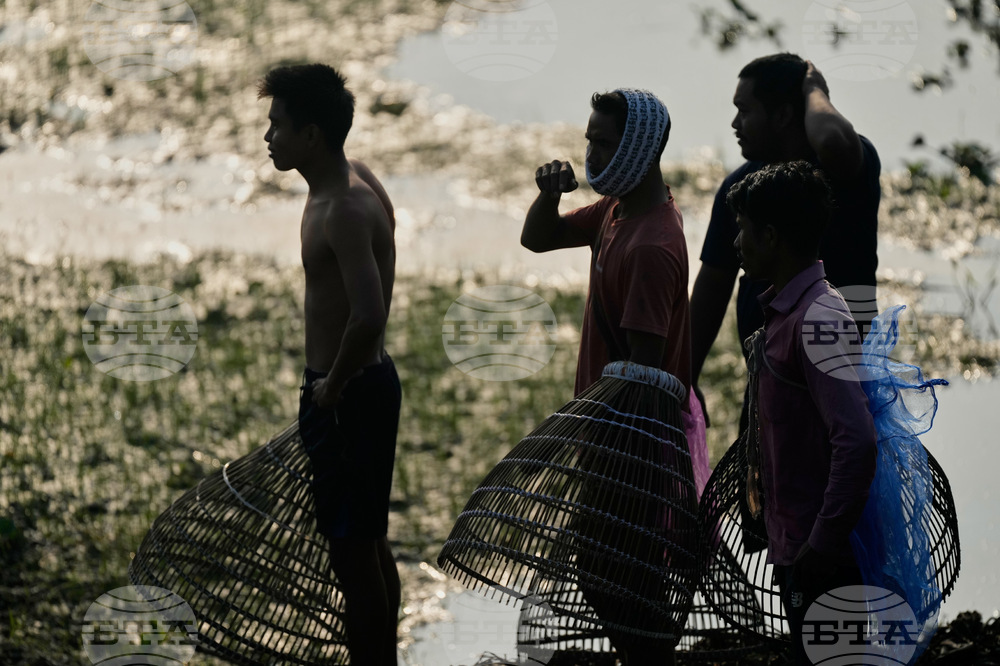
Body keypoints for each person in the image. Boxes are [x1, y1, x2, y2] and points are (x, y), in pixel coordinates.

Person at [521, 88, 701, 663]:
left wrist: (597, 443)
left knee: (622, 574)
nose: (592, 156)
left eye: (605, 142)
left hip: (633, 441)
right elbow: (537, 237)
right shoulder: (618, 211)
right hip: (607, 430)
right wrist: (546, 196)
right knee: (607, 570)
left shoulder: (651, 245)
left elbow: (642, 378)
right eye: (590, 141)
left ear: (642, 149)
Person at [259, 63, 401, 665]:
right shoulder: (352, 177)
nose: (268, 137)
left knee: (352, 556)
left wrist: (332, 387)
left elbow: (368, 315)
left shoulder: (342, 207)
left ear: (311, 135)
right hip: (359, 385)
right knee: (368, 540)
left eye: (277, 125)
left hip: (348, 393)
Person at [729, 160, 877, 665]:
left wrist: (822, 542)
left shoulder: (817, 320)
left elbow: (855, 441)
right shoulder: (790, 313)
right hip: (799, 548)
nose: (737, 244)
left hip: (824, 558)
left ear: (771, 237)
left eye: (743, 231)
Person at [691, 53, 880, 428]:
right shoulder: (740, 188)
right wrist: (686, 374)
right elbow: (712, 285)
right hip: (766, 383)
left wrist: (813, 88)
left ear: (782, 116)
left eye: (745, 110)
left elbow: (830, 138)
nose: (734, 123)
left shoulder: (841, 171)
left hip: (834, 385)